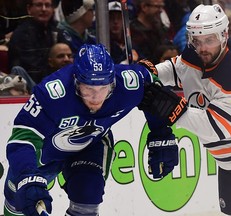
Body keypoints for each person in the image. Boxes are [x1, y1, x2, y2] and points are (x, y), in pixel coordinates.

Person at [3, 43, 186, 216]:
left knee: (88, 195)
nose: (96, 97)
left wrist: (161, 135)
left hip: (90, 145)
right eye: (88, 89)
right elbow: (22, 140)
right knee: (20, 202)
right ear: (76, 82)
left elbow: (153, 91)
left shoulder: (129, 82)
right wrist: (27, 175)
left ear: (113, 82)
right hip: (44, 152)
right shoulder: (52, 93)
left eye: (103, 88)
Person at [141, 4, 231, 216]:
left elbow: (219, 128)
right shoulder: (194, 54)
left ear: (224, 35)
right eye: (196, 40)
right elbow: (177, 69)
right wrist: (148, 73)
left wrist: (173, 110)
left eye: (209, 40)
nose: (202, 47)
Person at [8, 0, 62, 84]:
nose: (44, 9)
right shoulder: (20, 35)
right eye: (39, 5)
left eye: (47, 5)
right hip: (31, 86)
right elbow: (27, 70)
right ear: (29, 9)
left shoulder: (58, 31)